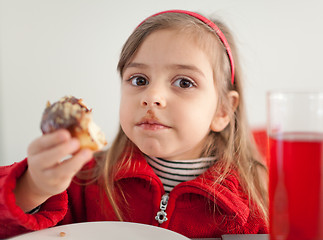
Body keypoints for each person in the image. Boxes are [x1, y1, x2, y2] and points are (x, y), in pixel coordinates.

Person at [0, 9, 268, 239]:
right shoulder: (81, 181)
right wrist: (32, 188)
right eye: (139, 80)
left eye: (184, 82)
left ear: (222, 110)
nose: (152, 97)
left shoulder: (257, 201)